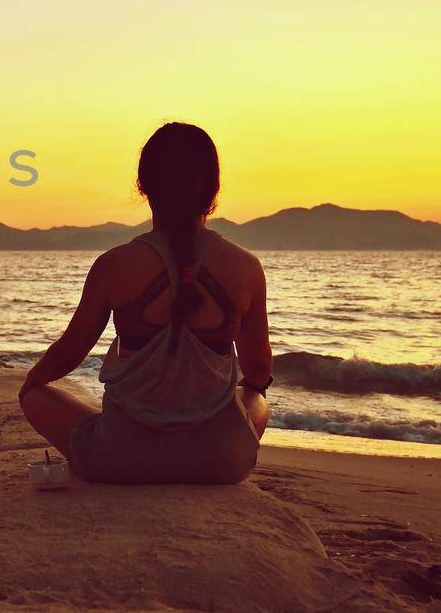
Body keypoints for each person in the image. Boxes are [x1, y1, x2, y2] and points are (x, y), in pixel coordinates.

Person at [17, 122, 272, 484]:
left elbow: (68, 353)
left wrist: (31, 381)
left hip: (119, 459)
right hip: (220, 462)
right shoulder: (245, 267)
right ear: (213, 189)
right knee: (255, 397)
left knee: (34, 396)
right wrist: (253, 388)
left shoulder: (115, 265)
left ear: (143, 186)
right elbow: (258, 366)